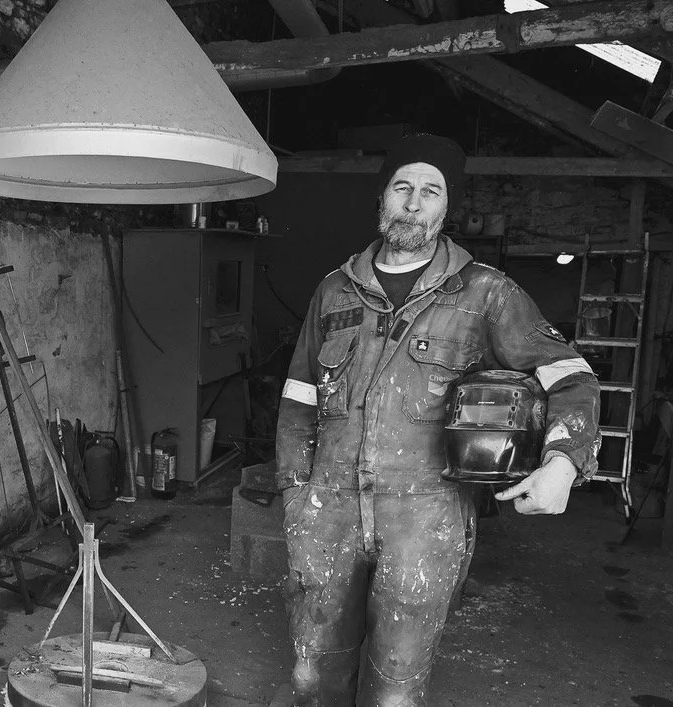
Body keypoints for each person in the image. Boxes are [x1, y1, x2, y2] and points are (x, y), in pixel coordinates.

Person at [275, 133, 601, 706]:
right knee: (311, 675)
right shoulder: (334, 290)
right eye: (403, 187)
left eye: (431, 190)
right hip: (326, 509)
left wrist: (562, 463)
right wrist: (294, 491)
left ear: (446, 208)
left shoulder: (485, 293)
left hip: (424, 515)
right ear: (384, 198)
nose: (414, 201)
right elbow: (299, 395)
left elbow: (569, 375)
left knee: (396, 686)